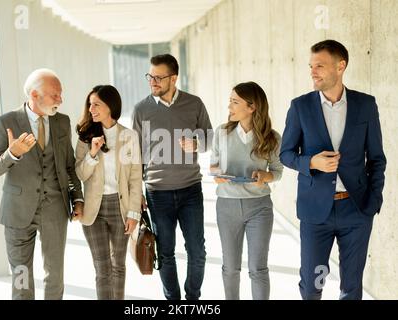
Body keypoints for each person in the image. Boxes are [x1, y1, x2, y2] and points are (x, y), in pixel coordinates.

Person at [280, 40, 386, 300]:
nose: (313, 72)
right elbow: (286, 154)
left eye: (320, 66)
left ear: (341, 66)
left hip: (356, 211)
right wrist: (311, 163)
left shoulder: (365, 105)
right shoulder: (300, 107)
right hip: (316, 214)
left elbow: (376, 159)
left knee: (351, 286)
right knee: (313, 283)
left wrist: (373, 202)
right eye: (311, 66)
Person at [0, 68, 84, 300]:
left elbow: (69, 165)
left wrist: (77, 198)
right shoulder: (6, 122)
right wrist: (12, 154)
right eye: (55, 95)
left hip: (54, 209)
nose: (60, 100)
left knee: (55, 274)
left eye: (60, 94)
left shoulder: (62, 122)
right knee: (21, 276)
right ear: (34, 95)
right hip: (17, 212)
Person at [132, 54, 213, 300]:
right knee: (166, 252)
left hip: (190, 190)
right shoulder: (142, 109)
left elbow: (210, 138)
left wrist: (196, 143)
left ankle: (192, 298)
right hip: (157, 193)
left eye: (158, 77)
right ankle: (173, 300)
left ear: (174, 78)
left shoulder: (194, 103)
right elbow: (135, 156)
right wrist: (137, 193)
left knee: (197, 251)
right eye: (150, 77)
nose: (153, 82)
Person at [210, 82, 283, 300]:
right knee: (230, 267)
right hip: (227, 206)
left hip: (259, 207)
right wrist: (217, 173)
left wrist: (265, 176)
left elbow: (277, 171)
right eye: (230, 101)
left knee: (258, 268)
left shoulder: (272, 138)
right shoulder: (221, 132)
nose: (229, 106)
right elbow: (213, 165)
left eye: (235, 102)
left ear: (251, 107)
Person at [75, 85, 142, 300]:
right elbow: (80, 174)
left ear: (110, 106)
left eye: (97, 104)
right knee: (102, 269)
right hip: (94, 209)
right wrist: (92, 153)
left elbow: (135, 177)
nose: (91, 108)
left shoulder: (129, 136)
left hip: (120, 208)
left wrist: (134, 214)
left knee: (118, 266)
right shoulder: (85, 137)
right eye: (90, 104)